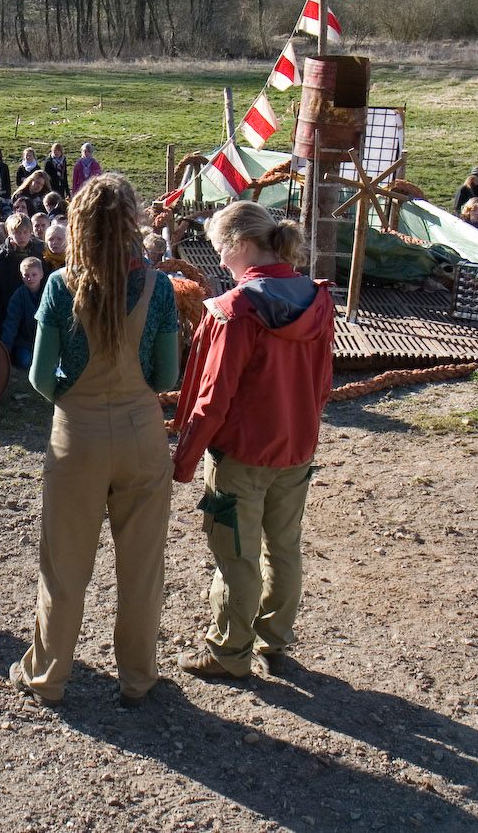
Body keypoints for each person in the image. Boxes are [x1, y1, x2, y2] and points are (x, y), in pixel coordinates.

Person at [9, 174, 179, 707]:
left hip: (76, 438)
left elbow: (40, 376)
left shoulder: (60, 285)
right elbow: (167, 376)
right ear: (131, 221)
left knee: (63, 566)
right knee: (142, 569)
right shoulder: (159, 287)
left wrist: (72, 398)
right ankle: (138, 677)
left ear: (79, 223)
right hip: (142, 435)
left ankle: (48, 676)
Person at [168, 201, 334, 683]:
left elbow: (212, 397)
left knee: (236, 554)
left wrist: (183, 460)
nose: (220, 259)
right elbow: (323, 381)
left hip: (241, 454)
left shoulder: (236, 312)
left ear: (240, 244)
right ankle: (273, 639)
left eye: (220, 248)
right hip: (297, 448)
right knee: (283, 547)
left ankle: (229, 651)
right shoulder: (317, 298)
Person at [0, 256, 45, 369]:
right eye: (26, 275)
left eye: (34, 275)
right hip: (25, 342)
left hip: (45, 340)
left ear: (41, 275)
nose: (30, 278)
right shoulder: (18, 296)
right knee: (25, 361)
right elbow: (11, 324)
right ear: (22, 276)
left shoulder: (48, 293)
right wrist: (5, 351)